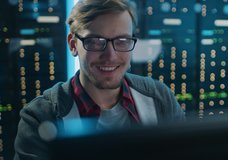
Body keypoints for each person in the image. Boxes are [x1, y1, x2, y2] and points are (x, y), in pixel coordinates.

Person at [14, 0, 185, 159]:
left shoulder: (160, 98)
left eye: (122, 41)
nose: (110, 56)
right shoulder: (39, 118)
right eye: (95, 41)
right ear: (73, 45)